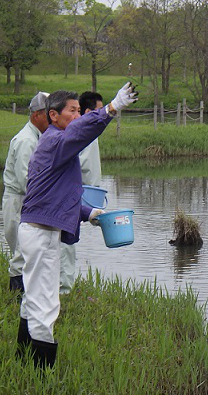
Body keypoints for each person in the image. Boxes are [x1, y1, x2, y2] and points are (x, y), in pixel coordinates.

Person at [16, 83, 137, 369]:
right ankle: (40, 372)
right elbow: (80, 132)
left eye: (80, 111)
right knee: (46, 302)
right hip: (41, 233)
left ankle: (23, 358)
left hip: (37, 229)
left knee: (33, 296)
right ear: (53, 116)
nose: (78, 116)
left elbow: (57, 196)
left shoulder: (55, 146)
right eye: (72, 111)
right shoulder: (57, 141)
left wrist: (91, 213)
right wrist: (110, 109)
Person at [2, 92, 50, 293]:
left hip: (25, 200)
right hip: (19, 200)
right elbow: (26, 181)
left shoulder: (36, 137)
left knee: (27, 250)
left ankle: (26, 293)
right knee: (22, 250)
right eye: (49, 114)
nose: (53, 119)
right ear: (37, 114)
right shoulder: (26, 141)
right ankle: (17, 294)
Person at [58, 91, 105, 295]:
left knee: (69, 239)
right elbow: (80, 164)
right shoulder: (80, 136)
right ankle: (63, 289)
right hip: (78, 193)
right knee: (65, 242)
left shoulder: (88, 135)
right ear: (89, 112)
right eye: (99, 110)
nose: (103, 114)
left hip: (85, 193)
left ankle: (63, 286)